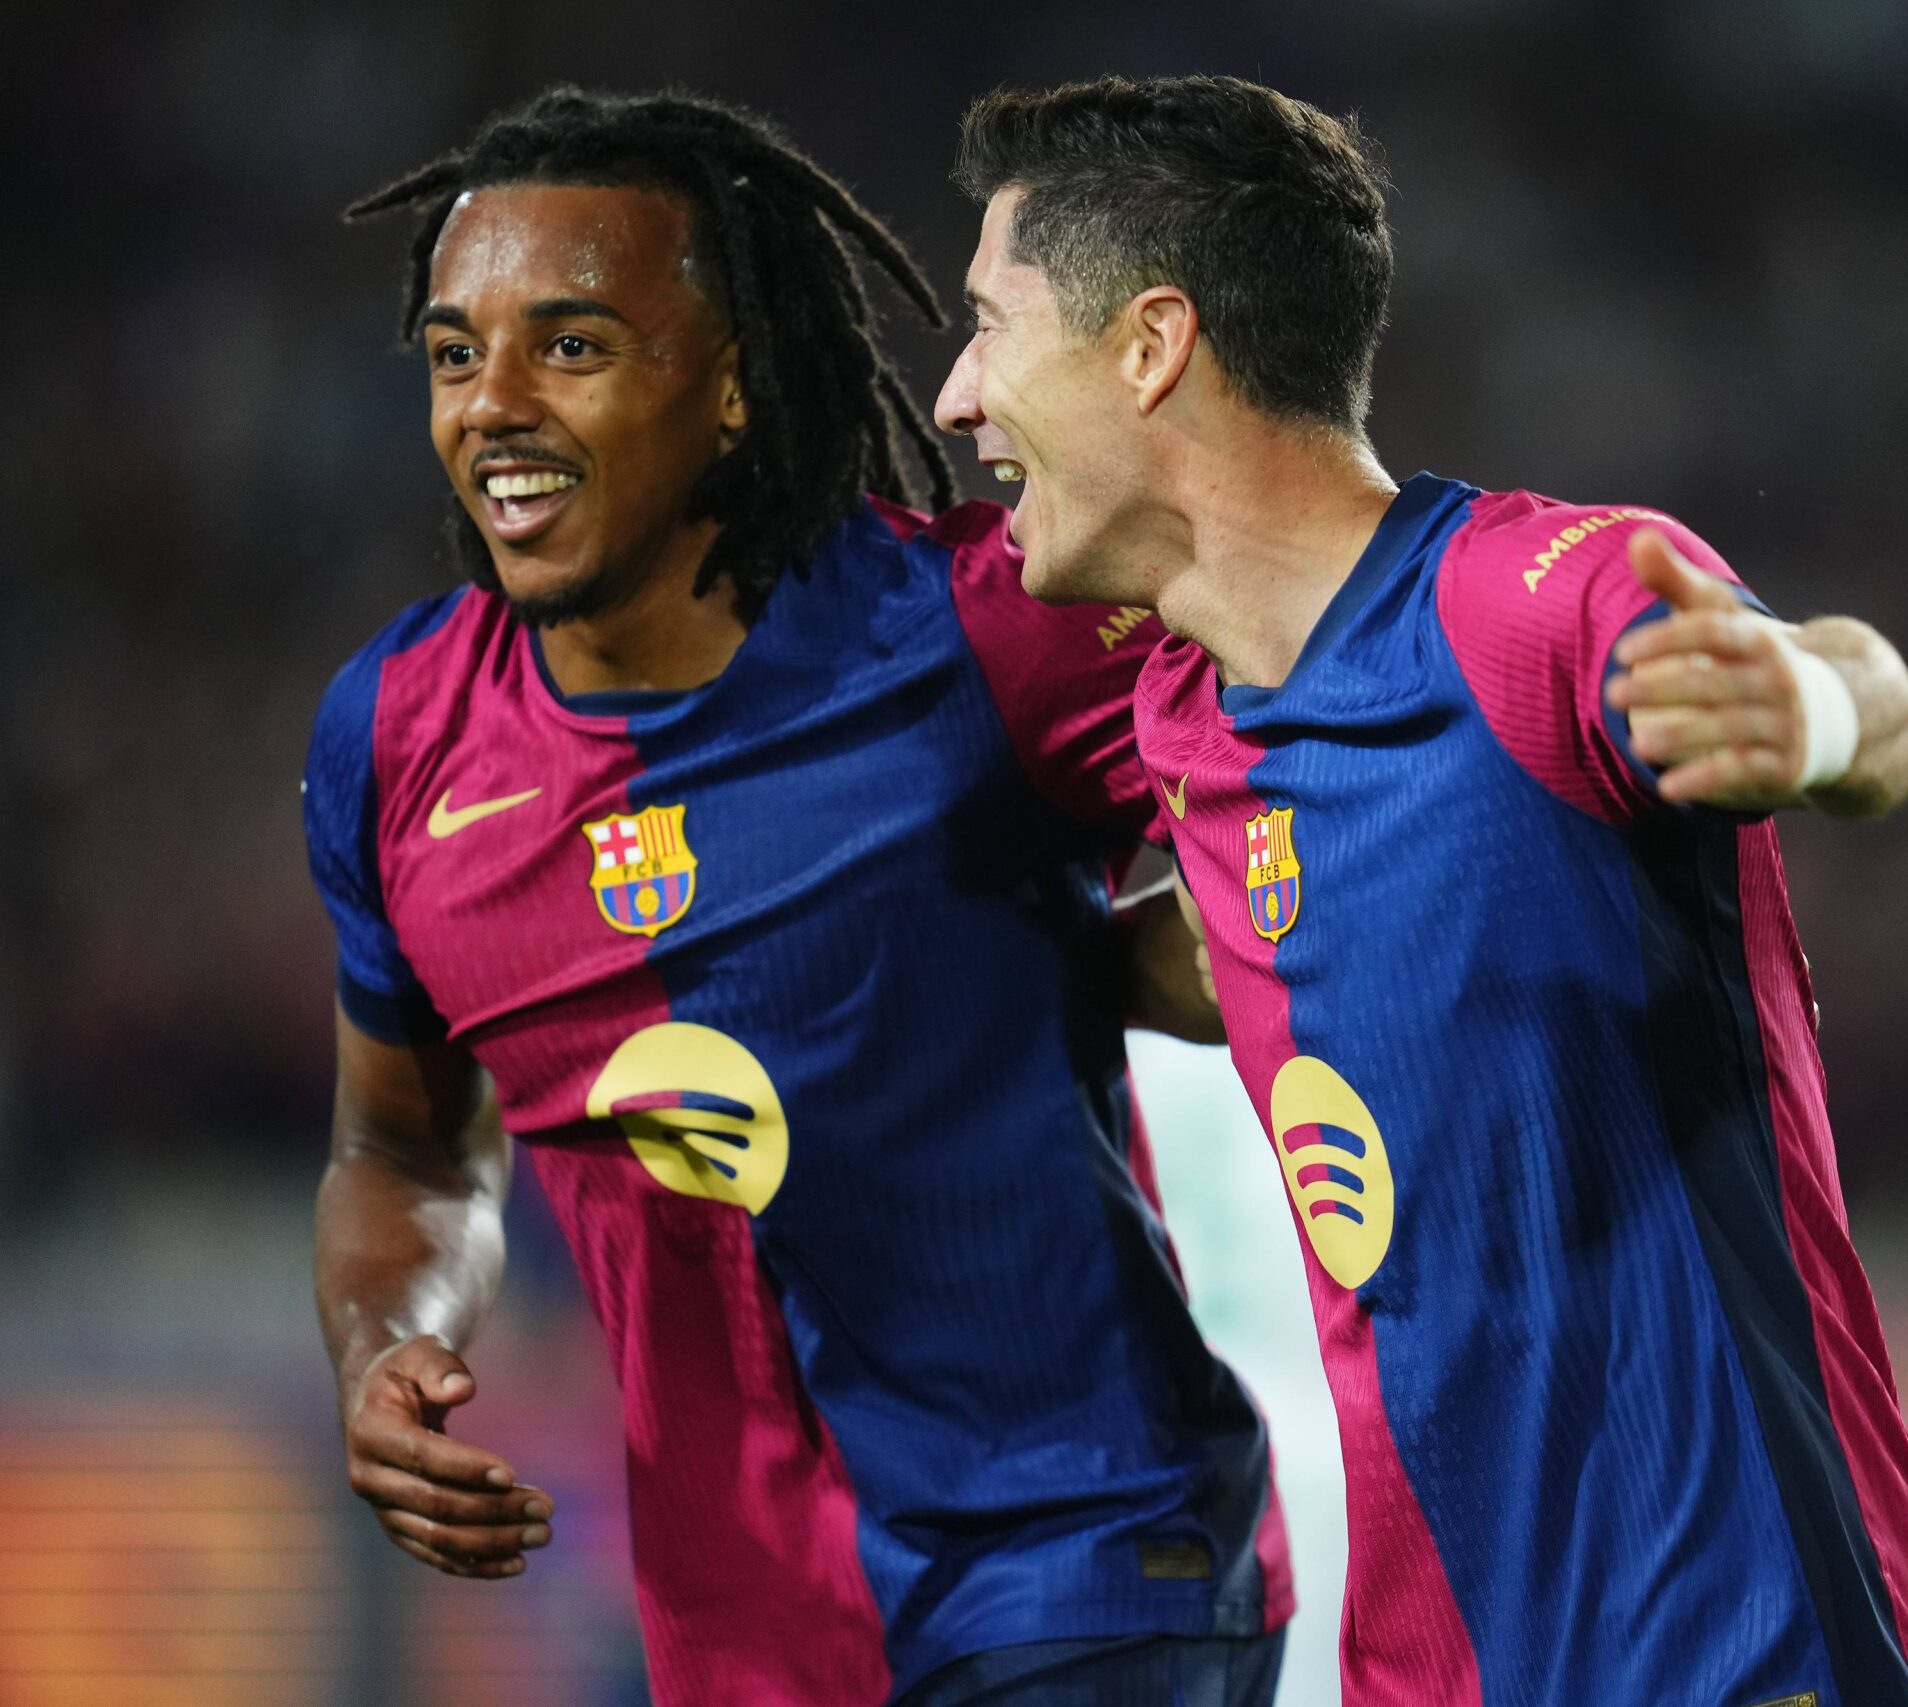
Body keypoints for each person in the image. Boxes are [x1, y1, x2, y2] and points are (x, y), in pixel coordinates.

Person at [935, 75, 1908, 1707]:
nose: (954, 396)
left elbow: (1873, 700)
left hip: (1754, 1656)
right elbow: (1252, 959)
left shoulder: (1524, 607)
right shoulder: (1192, 713)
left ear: (1151, 344)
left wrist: (1806, 708)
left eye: (989, 327)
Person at [303, 87, 1289, 1707]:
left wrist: (1111, 966)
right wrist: (383, 1345)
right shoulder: (396, 739)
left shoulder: (984, 629)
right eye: (452, 353)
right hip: (742, 1637)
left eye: (570, 346)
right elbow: (401, 1145)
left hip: (1086, 1563)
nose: (492, 406)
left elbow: (1313, 792)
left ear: (737, 380)